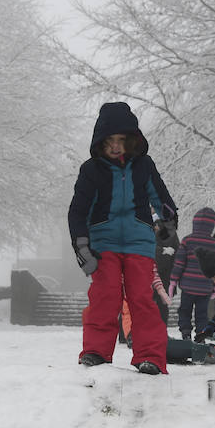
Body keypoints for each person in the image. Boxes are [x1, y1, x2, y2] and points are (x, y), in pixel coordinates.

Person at [68, 102, 177, 375]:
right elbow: (78, 211)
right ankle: (95, 351)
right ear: (100, 142)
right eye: (110, 141)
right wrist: (82, 246)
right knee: (106, 296)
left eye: (122, 140)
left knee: (141, 297)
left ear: (131, 141)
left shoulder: (144, 166)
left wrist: (167, 222)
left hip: (139, 241)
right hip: (103, 243)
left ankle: (149, 356)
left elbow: (162, 198)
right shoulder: (92, 170)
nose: (116, 146)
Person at [168, 207, 215, 340]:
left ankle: (186, 334)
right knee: (202, 314)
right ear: (211, 226)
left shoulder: (187, 240)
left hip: (188, 286)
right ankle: (200, 336)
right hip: (205, 288)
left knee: (184, 311)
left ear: (195, 223)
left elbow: (179, 263)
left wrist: (173, 281)